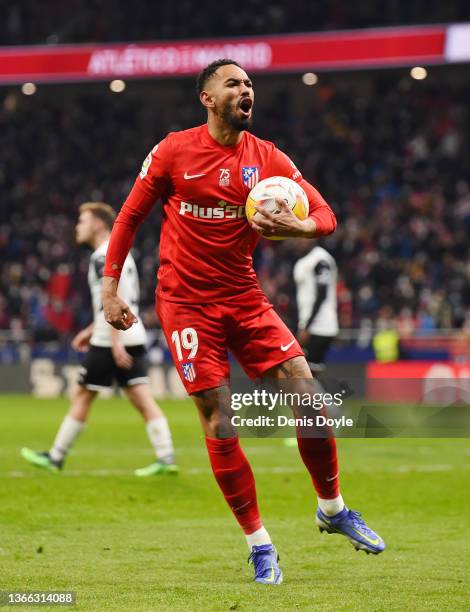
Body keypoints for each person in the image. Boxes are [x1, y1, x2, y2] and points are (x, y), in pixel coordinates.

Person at [101, 59, 385, 585]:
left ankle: (332, 509)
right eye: (233, 83)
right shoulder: (172, 150)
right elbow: (129, 217)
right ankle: (261, 546)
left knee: (312, 400)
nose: (246, 89)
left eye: (249, 83)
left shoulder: (269, 159)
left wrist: (295, 226)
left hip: (245, 298)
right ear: (207, 98)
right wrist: (110, 287)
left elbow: (326, 216)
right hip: (185, 303)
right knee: (220, 420)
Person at [21, 202, 177, 477]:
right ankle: (166, 457)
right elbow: (116, 301)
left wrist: (113, 342)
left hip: (111, 339)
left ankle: (56, 457)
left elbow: (116, 302)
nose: (77, 227)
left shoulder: (102, 257)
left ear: (98, 224)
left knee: (82, 393)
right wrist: (91, 329)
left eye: (82, 221)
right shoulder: (118, 254)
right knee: (141, 397)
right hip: (129, 334)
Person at [294, 242, 339, 372]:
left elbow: (322, 295)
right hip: (307, 325)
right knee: (303, 375)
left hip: (321, 327)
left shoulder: (321, 260)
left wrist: (307, 327)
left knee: (305, 374)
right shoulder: (302, 260)